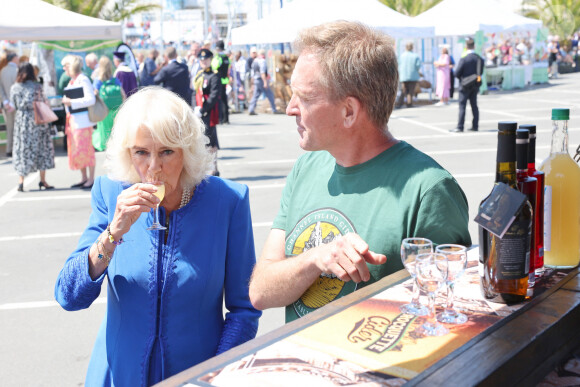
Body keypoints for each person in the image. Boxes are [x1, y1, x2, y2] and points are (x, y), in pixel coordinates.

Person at [248, 21, 471, 322]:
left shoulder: (428, 189)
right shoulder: (307, 168)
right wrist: (315, 259)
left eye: (306, 97)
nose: (290, 108)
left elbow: (451, 313)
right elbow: (261, 291)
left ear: (349, 112)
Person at [54, 86, 260, 385]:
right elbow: (69, 295)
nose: (153, 167)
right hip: (116, 374)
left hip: (196, 377)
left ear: (186, 151)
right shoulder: (111, 192)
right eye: (141, 152)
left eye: (167, 151)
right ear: (128, 153)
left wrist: (214, 376)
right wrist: (113, 232)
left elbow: (245, 309)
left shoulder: (227, 201)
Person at [10, 62, 55, 191]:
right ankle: (43, 180)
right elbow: (44, 101)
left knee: (22, 150)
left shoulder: (15, 87)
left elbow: (14, 104)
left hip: (22, 121)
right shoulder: (37, 87)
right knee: (42, 149)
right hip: (37, 120)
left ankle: (21, 181)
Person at [61, 54, 96, 189]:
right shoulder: (73, 81)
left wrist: (71, 102)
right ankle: (84, 177)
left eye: (66, 65)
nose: (64, 68)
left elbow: (90, 100)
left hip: (83, 122)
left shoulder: (83, 79)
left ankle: (90, 178)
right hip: (74, 122)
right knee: (78, 151)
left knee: (86, 150)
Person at [193, 48, 221, 176]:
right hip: (199, 112)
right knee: (201, 140)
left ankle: (213, 167)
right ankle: (205, 167)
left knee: (210, 141)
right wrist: (195, 107)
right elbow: (195, 92)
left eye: (206, 60)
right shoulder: (199, 75)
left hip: (209, 113)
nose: (204, 62)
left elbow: (214, 95)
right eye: (202, 60)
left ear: (210, 60)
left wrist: (203, 110)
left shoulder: (214, 75)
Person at [92, 56, 126, 151]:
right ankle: (115, 146)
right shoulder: (115, 80)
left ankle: (104, 146)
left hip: (103, 110)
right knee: (114, 129)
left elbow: (95, 93)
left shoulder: (98, 81)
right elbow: (123, 94)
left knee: (103, 129)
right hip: (115, 109)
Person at [452, 38, 484, 133]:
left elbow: (456, 73)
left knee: (462, 106)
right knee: (474, 105)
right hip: (475, 85)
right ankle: (475, 126)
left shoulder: (464, 59)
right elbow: (480, 72)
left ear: (466, 47)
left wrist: (463, 79)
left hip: (464, 85)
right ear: (474, 46)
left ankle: (460, 126)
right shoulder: (479, 59)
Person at [248, 49, 280, 115]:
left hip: (256, 80)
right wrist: (265, 82)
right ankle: (274, 109)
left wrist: (252, 82)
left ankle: (251, 109)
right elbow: (262, 72)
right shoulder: (262, 61)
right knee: (270, 94)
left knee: (255, 95)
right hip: (261, 80)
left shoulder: (255, 60)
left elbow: (252, 73)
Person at [0, 52, 19, 157]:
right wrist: (12, 102)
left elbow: (1, 89)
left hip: (6, 105)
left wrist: (5, 101)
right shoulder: (17, 70)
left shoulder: (2, 71)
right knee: (17, 127)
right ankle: (16, 149)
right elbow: (18, 88)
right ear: (14, 58)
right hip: (15, 104)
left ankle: (9, 149)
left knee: (9, 127)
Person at [396, 42, 421, 108]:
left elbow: (398, 65)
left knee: (403, 90)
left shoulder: (402, 56)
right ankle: (409, 103)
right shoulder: (415, 56)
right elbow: (418, 66)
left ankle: (399, 104)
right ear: (412, 47)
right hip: (413, 75)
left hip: (403, 76)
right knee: (410, 91)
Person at [211, 40, 231, 124]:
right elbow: (229, 67)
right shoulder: (227, 58)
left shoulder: (217, 58)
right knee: (224, 100)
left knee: (218, 100)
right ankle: (226, 118)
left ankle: (221, 118)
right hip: (225, 80)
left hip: (218, 80)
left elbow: (213, 67)